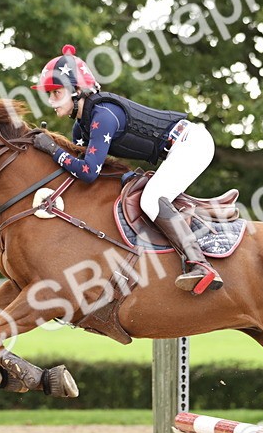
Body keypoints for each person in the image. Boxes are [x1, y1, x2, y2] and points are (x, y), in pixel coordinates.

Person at [30, 44, 221, 294]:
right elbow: (78, 173)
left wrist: (52, 149)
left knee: (151, 199)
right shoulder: (81, 127)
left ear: (77, 90)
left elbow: (87, 171)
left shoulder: (103, 116)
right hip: (175, 149)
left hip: (191, 143)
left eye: (56, 92)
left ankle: (200, 264)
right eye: (48, 93)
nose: (50, 100)